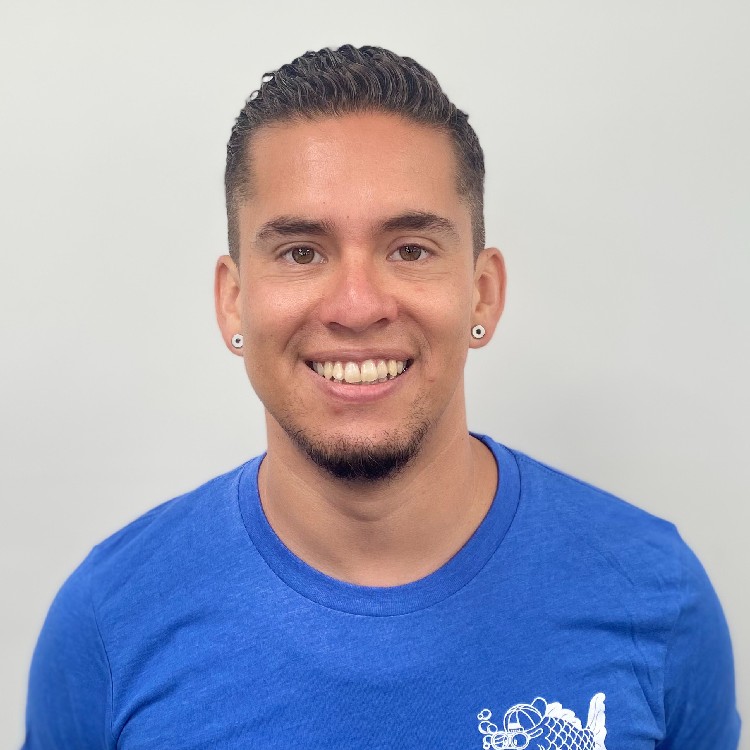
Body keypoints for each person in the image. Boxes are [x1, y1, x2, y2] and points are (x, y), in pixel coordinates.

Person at [23, 45, 739, 749]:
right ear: (233, 302)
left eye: (410, 250)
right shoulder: (109, 623)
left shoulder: (653, 596)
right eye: (302, 252)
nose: (358, 306)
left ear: (482, 292)